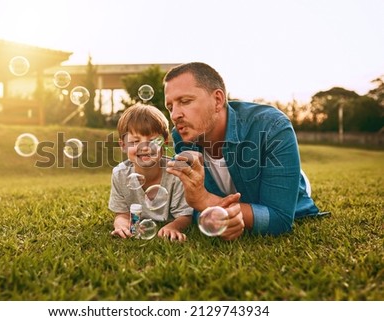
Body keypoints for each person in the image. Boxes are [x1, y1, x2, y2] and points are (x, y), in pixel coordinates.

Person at [164, 62, 320, 240]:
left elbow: (280, 219)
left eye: (185, 101)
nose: (175, 115)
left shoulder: (271, 127)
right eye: (170, 107)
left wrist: (205, 201)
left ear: (218, 100)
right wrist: (221, 217)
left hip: (287, 180)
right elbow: (194, 208)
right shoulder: (181, 137)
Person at [109, 103, 193, 242]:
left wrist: (174, 226)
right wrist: (122, 225)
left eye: (153, 141)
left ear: (165, 142)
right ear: (123, 145)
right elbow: (122, 214)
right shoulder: (120, 174)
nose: (145, 147)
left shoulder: (176, 172)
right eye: (135, 141)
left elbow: (185, 216)